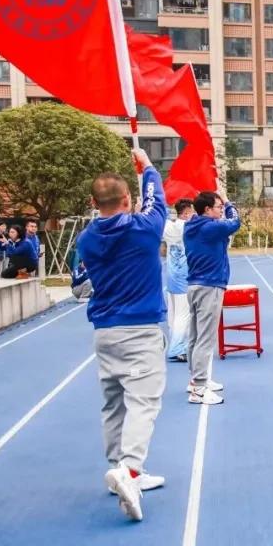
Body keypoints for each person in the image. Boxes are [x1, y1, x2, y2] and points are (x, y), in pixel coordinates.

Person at [75, 147, 168, 522]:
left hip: (105, 332)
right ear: (126, 200)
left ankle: (118, 467)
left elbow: (150, 201)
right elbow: (156, 196)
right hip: (140, 329)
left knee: (113, 403)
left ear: (93, 202)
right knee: (144, 403)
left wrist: (142, 178)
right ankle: (129, 472)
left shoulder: (86, 240)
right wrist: (145, 166)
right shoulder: (145, 229)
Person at [183, 191, 241, 406]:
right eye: (217, 206)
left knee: (195, 336)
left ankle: (195, 379)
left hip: (195, 285)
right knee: (205, 339)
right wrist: (228, 201)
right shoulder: (210, 227)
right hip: (210, 286)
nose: (220, 209)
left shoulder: (191, 226)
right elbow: (235, 222)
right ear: (207, 209)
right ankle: (199, 389)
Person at [163, 199, 193, 362]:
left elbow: (162, 218)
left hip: (171, 276)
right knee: (183, 315)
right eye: (192, 212)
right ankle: (177, 348)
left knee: (173, 315)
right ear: (186, 212)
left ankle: (174, 345)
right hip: (183, 276)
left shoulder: (169, 226)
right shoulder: (188, 227)